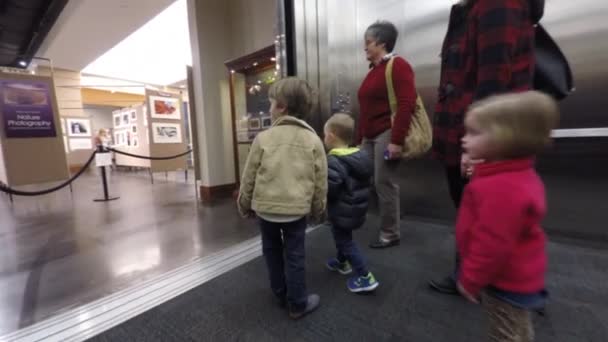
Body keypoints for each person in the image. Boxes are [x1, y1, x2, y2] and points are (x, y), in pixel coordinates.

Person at [429, 0, 541, 294]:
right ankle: (483, 277)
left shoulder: (497, 4)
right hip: (474, 131)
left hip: (482, 134)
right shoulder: (473, 9)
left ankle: (488, 281)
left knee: (486, 212)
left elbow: (493, 80)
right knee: (478, 209)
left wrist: (475, 144)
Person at [455, 91, 558, 341]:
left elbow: (492, 243)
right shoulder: (514, 174)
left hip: (504, 281)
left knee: (503, 333)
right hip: (519, 275)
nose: (464, 140)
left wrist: (469, 279)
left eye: (474, 133)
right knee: (518, 328)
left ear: (505, 140)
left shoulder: (500, 189)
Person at [237, 77, 328, 320]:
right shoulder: (313, 140)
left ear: (282, 107)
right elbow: (320, 182)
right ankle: (298, 303)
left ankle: (280, 293)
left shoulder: (263, 139)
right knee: (295, 255)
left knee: (272, 250)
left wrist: (244, 204)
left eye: (270, 103)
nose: (268, 108)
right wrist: (319, 210)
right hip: (296, 211)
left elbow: (249, 177)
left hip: (266, 209)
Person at [357, 20, 417, 249]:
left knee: (385, 183)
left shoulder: (398, 65)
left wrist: (396, 141)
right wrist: (359, 139)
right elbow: (365, 109)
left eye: (368, 42)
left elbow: (406, 104)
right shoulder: (373, 71)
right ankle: (373, 222)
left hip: (386, 133)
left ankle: (390, 233)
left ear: (381, 43)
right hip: (369, 136)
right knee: (367, 179)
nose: (365, 47)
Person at [323, 113, 379, 293]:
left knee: (345, 241)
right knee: (342, 236)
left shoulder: (334, 160)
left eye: (324, 135)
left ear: (331, 136)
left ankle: (365, 277)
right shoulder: (358, 156)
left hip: (342, 209)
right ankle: (342, 262)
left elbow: (330, 188)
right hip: (354, 208)